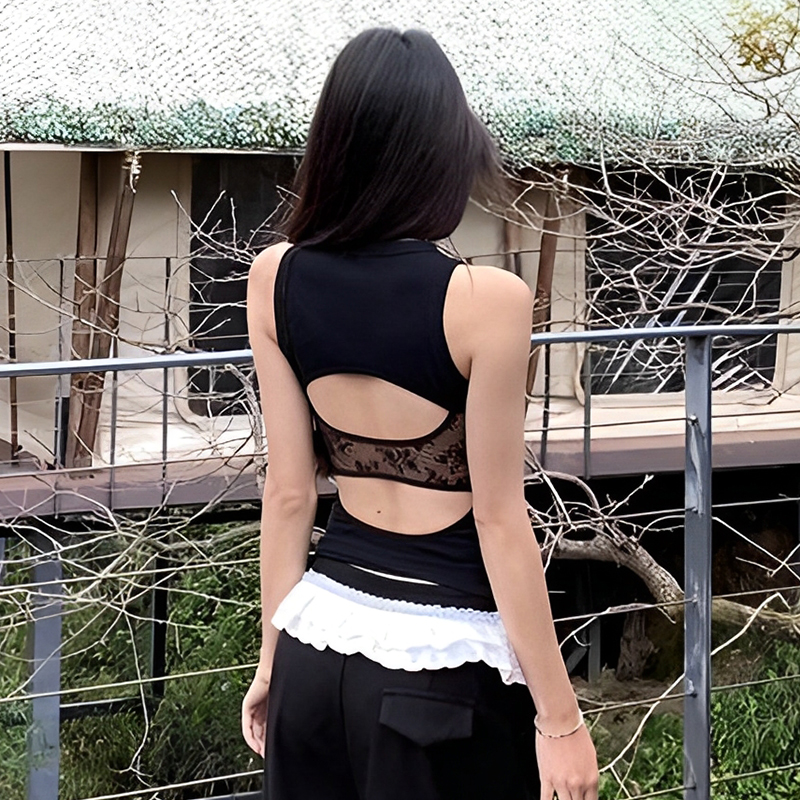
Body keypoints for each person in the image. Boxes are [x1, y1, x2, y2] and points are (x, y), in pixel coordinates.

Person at [241, 27, 599, 800]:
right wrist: (561, 720)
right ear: (439, 155)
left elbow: (289, 493)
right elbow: (499, 519)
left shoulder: (274, 277)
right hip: (441, 672)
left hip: (314, 647)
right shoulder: (487, 301)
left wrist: (272, 658)